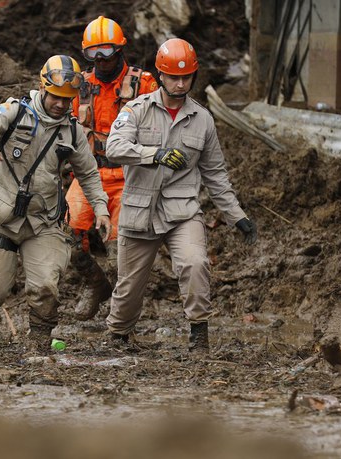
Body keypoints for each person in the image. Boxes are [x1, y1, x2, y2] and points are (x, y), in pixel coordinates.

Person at [104, 38, 258, 353]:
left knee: (195, 263)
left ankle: (199, 336)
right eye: (173, 76)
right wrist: (153, 154)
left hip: (182, 211)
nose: (180, 83)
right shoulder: (136, 110)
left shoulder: (203, 119)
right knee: (129, 286)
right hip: (139, 209)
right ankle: (118, 336)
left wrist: (236, 216)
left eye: (186, 77)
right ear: (160, 75)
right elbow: (114, 148)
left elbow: (216, 174)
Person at [0, 55, 111, 353]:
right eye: (56, 96)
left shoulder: (72, 131)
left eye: (67, 99)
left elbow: (89, 174)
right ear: (43, 88)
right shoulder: (15, 111)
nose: (61, 104)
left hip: (43, 220)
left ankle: (39, 344)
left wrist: (102, 209)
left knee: (45, 286)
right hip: (0, 219)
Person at [66, 16, 158, 321]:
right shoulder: (80, 86)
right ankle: (95, 285)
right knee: (66, 234)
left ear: (120, 50)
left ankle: (123, 314)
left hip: (130, 175)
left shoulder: (144, 84)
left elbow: (160, 130)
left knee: (124, 250)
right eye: (93, 54)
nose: (101, 60)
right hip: (89, 174)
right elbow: (65, 129)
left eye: (106, 51)